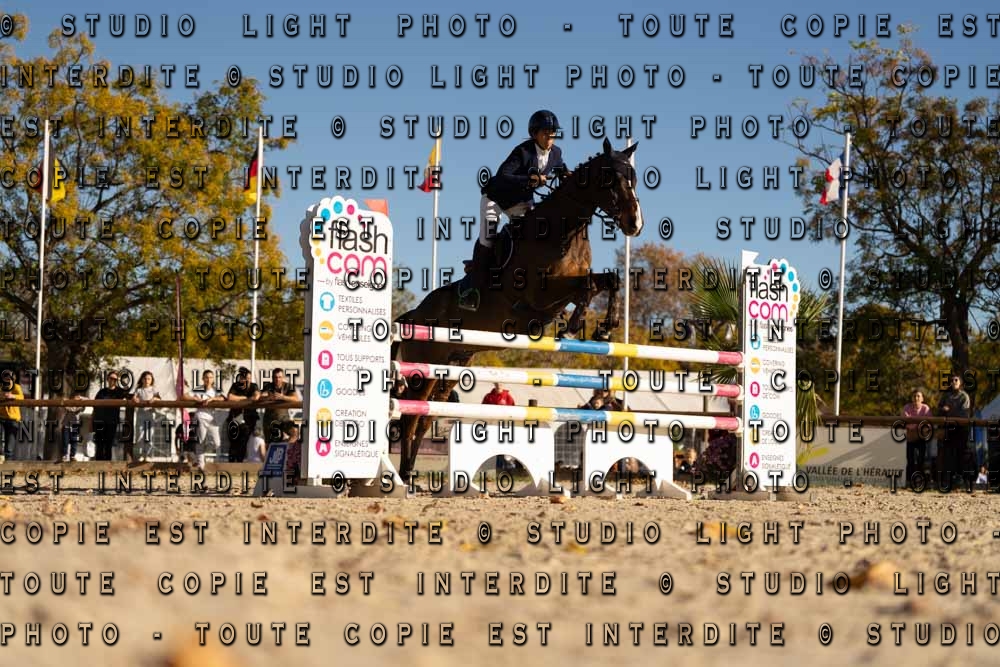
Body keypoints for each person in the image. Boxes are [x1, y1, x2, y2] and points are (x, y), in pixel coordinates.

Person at [459, 110, 568, 311]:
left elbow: (562, 171)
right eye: (545, 133)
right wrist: (530, 179)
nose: (550, 138)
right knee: (488, 238)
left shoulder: (556, 153)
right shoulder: (523, 152)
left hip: (520, 201)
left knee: (536, 233)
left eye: (553, 133)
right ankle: (472, 290)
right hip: (496, 199)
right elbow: (503, 176)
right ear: (534, 134)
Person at [937, 374, 971, 488]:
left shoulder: (964, 396)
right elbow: (939, 410)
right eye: (952, 380)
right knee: (948, 455)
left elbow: (964, 413)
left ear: (960, 383)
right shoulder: (946, 396)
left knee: (961, 454)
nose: (954, 381)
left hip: (961, 430)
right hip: (949, 429)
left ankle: (961, 479)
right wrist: (943, 410)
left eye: (956, 380)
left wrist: (948, 411)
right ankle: (948, 480)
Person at [189, 371, 225, 469]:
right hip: (200, 416)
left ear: (213, 379)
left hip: (212, 418)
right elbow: (185, 396)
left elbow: (223, 398)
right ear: (203, 378)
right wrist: (196, 399)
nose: (209, 380)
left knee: (216, 443)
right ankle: (201, 465)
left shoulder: (216, 390)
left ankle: (198, 454)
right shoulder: (198, 389)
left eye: (211, 377)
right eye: (206, 377)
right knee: (201, 440)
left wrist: (212, 399)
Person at [226, 367, 260, 463]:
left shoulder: (253, 386)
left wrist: (240, 399)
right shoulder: (236, 386)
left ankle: (239, 461)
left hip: (249, 419)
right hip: (235, 417)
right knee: (233, 441)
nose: (247, 380)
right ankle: (232, 462)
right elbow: (230, 397)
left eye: (249, 378)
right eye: (245, 378)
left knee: (243, 441)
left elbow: (256, 396)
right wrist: (245, 398)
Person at [93, 371, 129, 461]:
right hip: (100, 420)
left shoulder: (119, 391)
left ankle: (107, 463)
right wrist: (92, 420)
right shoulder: (102, 391)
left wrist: (121, 381)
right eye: (111, 378)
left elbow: (128, 393)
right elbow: (94, 405)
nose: (113, 380)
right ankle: (98, 463)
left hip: (112, 421)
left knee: (108, 443)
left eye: (115, 379)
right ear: (107, 379)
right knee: (99, 443)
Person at [261, 369, 301, 443]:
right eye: (275, 377)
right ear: (272, 378)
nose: (277, 379)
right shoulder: (268, 386)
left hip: (284, 419)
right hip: (269, 420)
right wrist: (268, 397)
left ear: (283, 377)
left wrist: (283, 397)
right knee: (269, 444)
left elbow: (296, 399)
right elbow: (261, 397)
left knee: (295, 432)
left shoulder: (288, 386)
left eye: (279, 377)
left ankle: (286, 446)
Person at [902, 389, 932, 488]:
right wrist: (918, 426)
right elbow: (904, 421)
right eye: (914, 396)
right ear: (911, 398)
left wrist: (913, 426)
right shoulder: (906, 407)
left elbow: (927, 424)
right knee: (910, 460)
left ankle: (920, 481)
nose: (916, 398)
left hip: (921, 439)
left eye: (918, 396)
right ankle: (909, 481)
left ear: (922, 398)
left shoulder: (926, 408)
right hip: (910, 439)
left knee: (921, 460)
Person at [132, 371, 162, 460]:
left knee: (149, 435)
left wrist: (154, 399)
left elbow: (159, 398)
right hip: (140, 415)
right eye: (145, 379)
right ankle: (139, 455)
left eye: (149, 379)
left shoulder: (153, 390)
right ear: (142, 379)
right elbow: (134, 397)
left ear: (151, 380)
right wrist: (135, 399)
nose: (147, 380)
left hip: (150, 414)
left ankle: (147, 455)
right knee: (139, 435)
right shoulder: (139, 390)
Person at [0, 370, 23, 462]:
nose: (7, 380)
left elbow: (21, 397)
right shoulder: (1, 387)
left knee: (10, 444)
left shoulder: (16, 387)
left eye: (9, 378)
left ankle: (8, 462)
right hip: (2, 417)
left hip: (13, 418)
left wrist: (13, 396)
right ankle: (1, 454)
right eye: (5, 378)